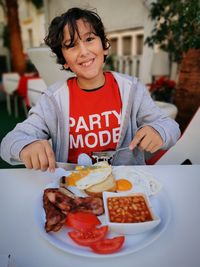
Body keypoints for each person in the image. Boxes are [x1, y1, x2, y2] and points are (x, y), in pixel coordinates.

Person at [0, 7, 180, 172]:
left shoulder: (132, 89)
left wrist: (159, 131)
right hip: (73, 191)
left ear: (105, 46)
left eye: (89, 39)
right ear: (64, 60)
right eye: (71, 45)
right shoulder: (53, 99)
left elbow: (171, 126)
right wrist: (26, 146)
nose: (84, 51)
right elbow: (9, 141)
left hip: (126, 188)